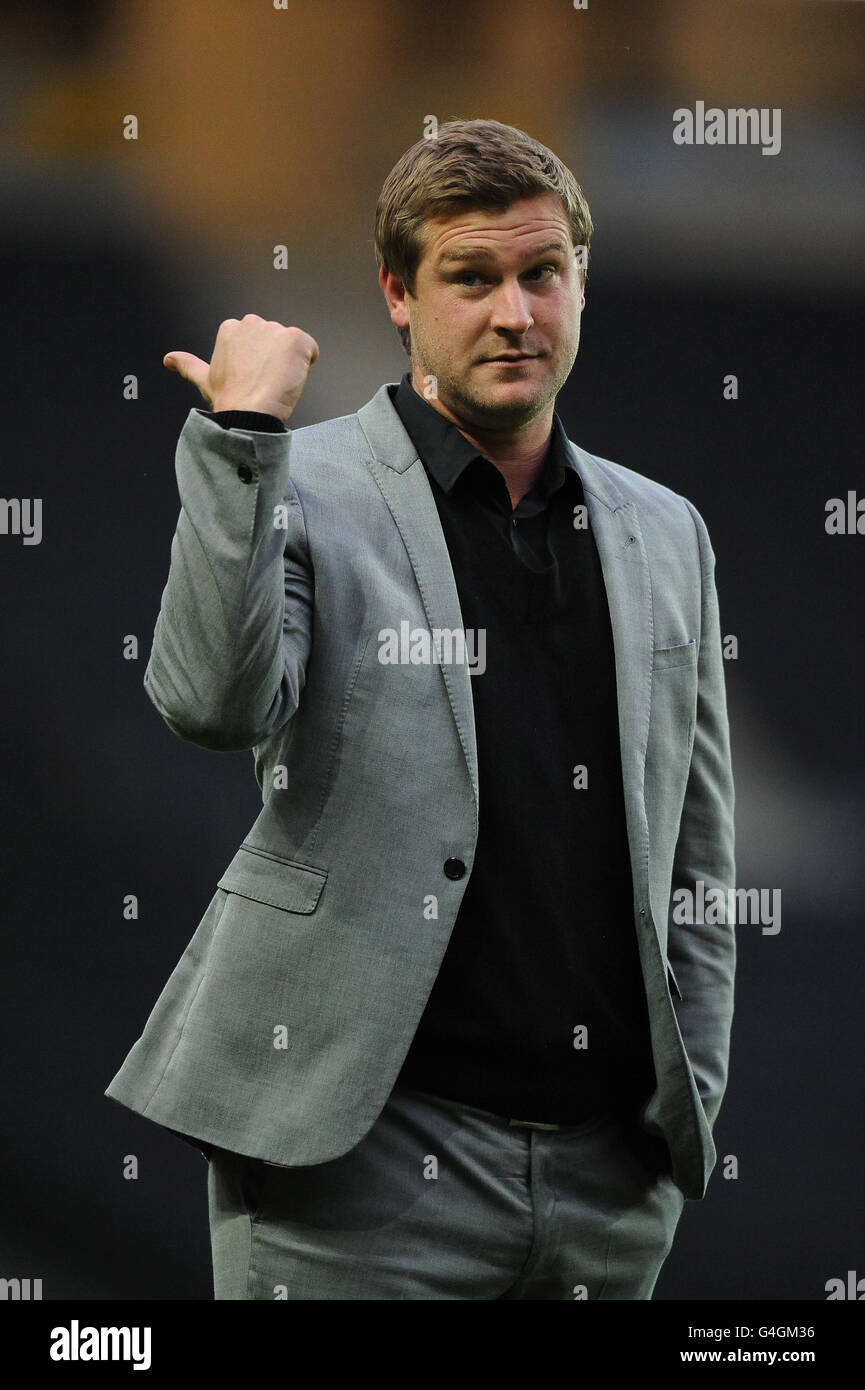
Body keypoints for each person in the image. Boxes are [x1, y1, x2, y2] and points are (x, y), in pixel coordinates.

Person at [105, 118, 736, 1300]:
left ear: (580, 284)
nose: (514, 313)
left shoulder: (665, 529)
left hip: (607, 1188)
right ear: (398, 294)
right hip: (360, 1172)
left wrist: (683, 1104)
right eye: (471, 277)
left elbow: (695, 853)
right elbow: (207, 699)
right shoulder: (301, 485)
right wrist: (244, 438)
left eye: (541, 274)